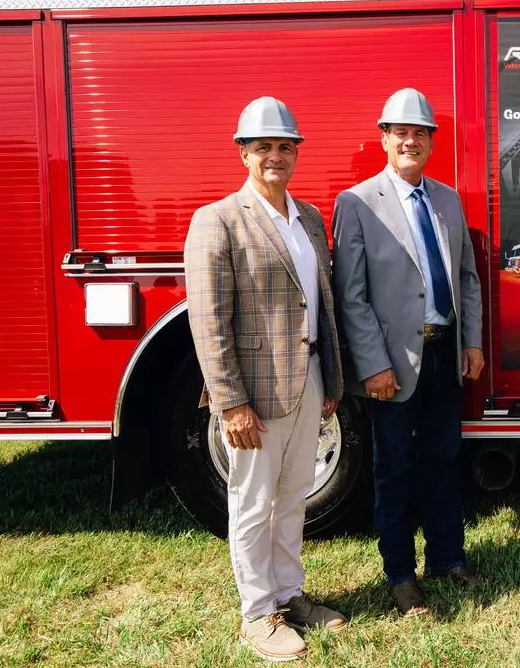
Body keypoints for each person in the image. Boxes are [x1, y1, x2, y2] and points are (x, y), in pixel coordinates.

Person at [184, 96, 347, 662]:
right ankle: (257, 613)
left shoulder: (309, 219)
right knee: (253, 501)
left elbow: (321, 304)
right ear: (243, 154)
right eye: (263, 147)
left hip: (309, 380)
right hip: (255, 392)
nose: (274, 156)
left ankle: (289, 593)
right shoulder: (218, 220)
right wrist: (230, 403)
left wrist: (332, 378)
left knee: (293, 495)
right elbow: (209, 322)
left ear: (297, 153)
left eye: (284, 146)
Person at [332, 87, 484, 616]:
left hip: (443, 355)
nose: (410, 142)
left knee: (443, 460)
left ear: (431, 143)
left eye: (420, 133)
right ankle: (400, 574)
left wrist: (471, 341)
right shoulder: (356, 203)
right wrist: (373, 364)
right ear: (384, 138)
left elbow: (466, 277)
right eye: (401, 133)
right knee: (393, 469)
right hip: (392, 363)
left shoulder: (447, 199)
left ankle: (447, 557)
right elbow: (351, 296)